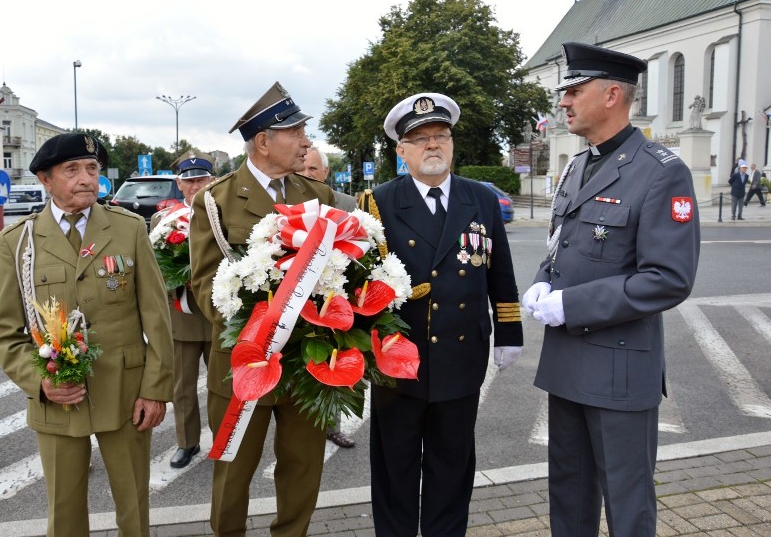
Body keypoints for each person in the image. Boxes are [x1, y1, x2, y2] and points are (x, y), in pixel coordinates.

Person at [522, 42, 701, 537]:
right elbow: (561, 244)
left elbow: (668, 278)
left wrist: (570, 304)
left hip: (620, 370)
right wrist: (542, 282)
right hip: (566, 362)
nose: (563, 102)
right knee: (569, 495)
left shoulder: (661, 172)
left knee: (627, 503)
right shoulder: (579, 165)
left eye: (574, 91)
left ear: (612, 95)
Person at [0, 132, 174, 537]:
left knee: (134, 506)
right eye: (71, 169)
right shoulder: (17, 243)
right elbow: (5, 334)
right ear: (45, 179)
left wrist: (156, 389)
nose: (86, 178)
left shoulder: (128, 229)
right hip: (58, 397)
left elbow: (157, 319)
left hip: (127, 392)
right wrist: (40, 383)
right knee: (65, 510)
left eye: (92, 169)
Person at [366, 92, 524, 536]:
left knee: (452, 467)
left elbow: (501, 273)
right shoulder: (377, 202)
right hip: (399, 361)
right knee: (395, 468)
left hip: (461, 356)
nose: (432, 145)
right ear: (402, 151)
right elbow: (363, 288)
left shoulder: (481, 200)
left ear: (452, 144)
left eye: (440, 136)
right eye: (419, 139)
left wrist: (509, 332)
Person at [189, 82, 335, 536]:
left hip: (306, 362)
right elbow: (205, 287)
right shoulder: (216, 200)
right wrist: (263, 329)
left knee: (303, 467)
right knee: (234, 471)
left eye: (305, 132)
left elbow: (337, 275)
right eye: (296, 132)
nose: (306, 142)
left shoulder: (319, 197)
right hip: (243, 365)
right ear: (264, 141)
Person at [151, 150, 216, 468]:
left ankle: (224, 439)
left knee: (222, 386)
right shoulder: (162, 221)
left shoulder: (224, 215)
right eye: (188, 181)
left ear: (212, 180)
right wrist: (178, 280)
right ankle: (187, 443)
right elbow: (155, 269)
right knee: (182, 387)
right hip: (180, 314)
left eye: (201, 179)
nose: (195, 186)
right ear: (179, 184)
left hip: (217, 314)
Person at [298, 146, 357, 449]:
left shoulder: (347, 203)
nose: (306, 175)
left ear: (325, 173)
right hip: (297, 303)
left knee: (334, 364)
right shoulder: (289, 203)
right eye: (302, 169)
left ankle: (332, 425)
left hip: (337, 300)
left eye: (313, 169)